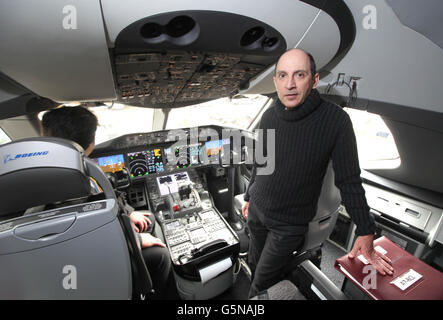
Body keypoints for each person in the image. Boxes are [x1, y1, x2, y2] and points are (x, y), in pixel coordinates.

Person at [242, 48, 394, 298]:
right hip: (257, 212)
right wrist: (249, 197)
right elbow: (261, 163)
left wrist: (366, 231)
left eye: (299, 75)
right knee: (255, 265)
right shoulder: (269, 116)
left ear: (314, 80)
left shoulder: (336, 121)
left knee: (261, 285)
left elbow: (349, 181)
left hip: (287, 225)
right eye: (282, 76)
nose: (290, 84)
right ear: (275, 81)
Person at [41, 106, 174, 299]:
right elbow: (80, 236)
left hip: (94, 240)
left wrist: (129, 213)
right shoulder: (73, 182)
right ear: (90, 141)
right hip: (86, 256)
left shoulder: (72, 169)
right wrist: (136, 241)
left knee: (150, 219)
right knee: (160, 256)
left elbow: (102, 205)